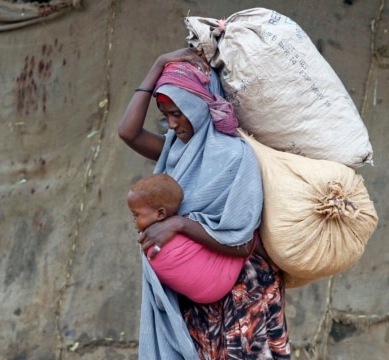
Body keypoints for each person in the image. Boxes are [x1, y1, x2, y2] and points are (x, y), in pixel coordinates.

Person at [118, 47, 291, 359]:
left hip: (244, 289)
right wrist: (158, 64)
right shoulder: (176, 151)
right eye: (165, 116)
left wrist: (179, 224)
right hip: (198, 293)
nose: (171, 125)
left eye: (176, 113)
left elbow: (240, 243)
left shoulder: (235, 156)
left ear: (198, 107)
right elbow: (127, 133)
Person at [126, 173, 249, 304]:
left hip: (207, 294)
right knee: (249, 236)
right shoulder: (181, 230)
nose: (133, 220)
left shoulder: (168, 237)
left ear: (161, 213)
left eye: (136, 215)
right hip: (218, 285)